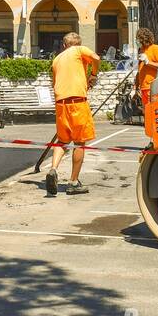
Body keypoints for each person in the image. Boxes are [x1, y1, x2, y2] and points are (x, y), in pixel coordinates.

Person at [45, 32, 99, 196]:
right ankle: (73, 182)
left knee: (62, 141)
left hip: (61, 104)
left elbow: (55, 83)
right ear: (78, 44)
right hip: (77, 103)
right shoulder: (78, 50)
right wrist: (93, 75)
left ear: (63, 45)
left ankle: (53, 169)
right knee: (79, 142)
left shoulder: (56, 59)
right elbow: (96, 58)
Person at [135, 27, 158, 111]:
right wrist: (136, 86)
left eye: (138, 39)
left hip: (153, 87)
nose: (137, 41)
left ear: (144, 39)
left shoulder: (156, 49)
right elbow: (140, 70)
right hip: (143, 88)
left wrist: (147, 62)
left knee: (153, 112)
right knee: (146, 113)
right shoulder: (141, 50)